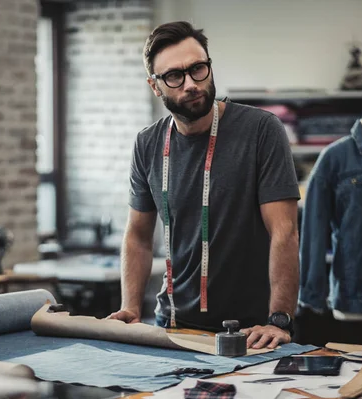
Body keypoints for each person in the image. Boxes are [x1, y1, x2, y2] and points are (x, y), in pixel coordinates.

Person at [106, 21, 300, 349]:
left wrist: (279, 318)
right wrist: (131, 307)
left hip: (253, 331)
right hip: (173, 326)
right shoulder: (147, 144)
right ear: (155, 86)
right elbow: (138, 236)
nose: (191, 84)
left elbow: (284, 231)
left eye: (198, 68)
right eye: (174, 76)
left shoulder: (261, 131)